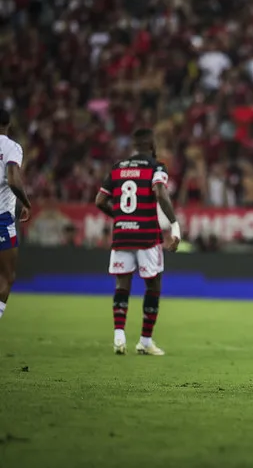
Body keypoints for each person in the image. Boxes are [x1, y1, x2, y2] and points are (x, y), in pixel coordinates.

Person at [95, 128, 181, 356]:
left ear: (134, 146)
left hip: (122, 235)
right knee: (153, 285)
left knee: (122, 285)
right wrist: (174, 225)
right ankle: (144, 341)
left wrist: (120, 217)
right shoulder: (155, 167)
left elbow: (100, 200)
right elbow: (161, 194)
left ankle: (118, 336)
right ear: (152, 147)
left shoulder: (117, 168)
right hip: (146, 236)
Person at [0, 110, 33, 320]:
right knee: (6, 277)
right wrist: (26, 203)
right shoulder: (11, 147)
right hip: (1, 219)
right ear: (8, 124)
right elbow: (13, 180)